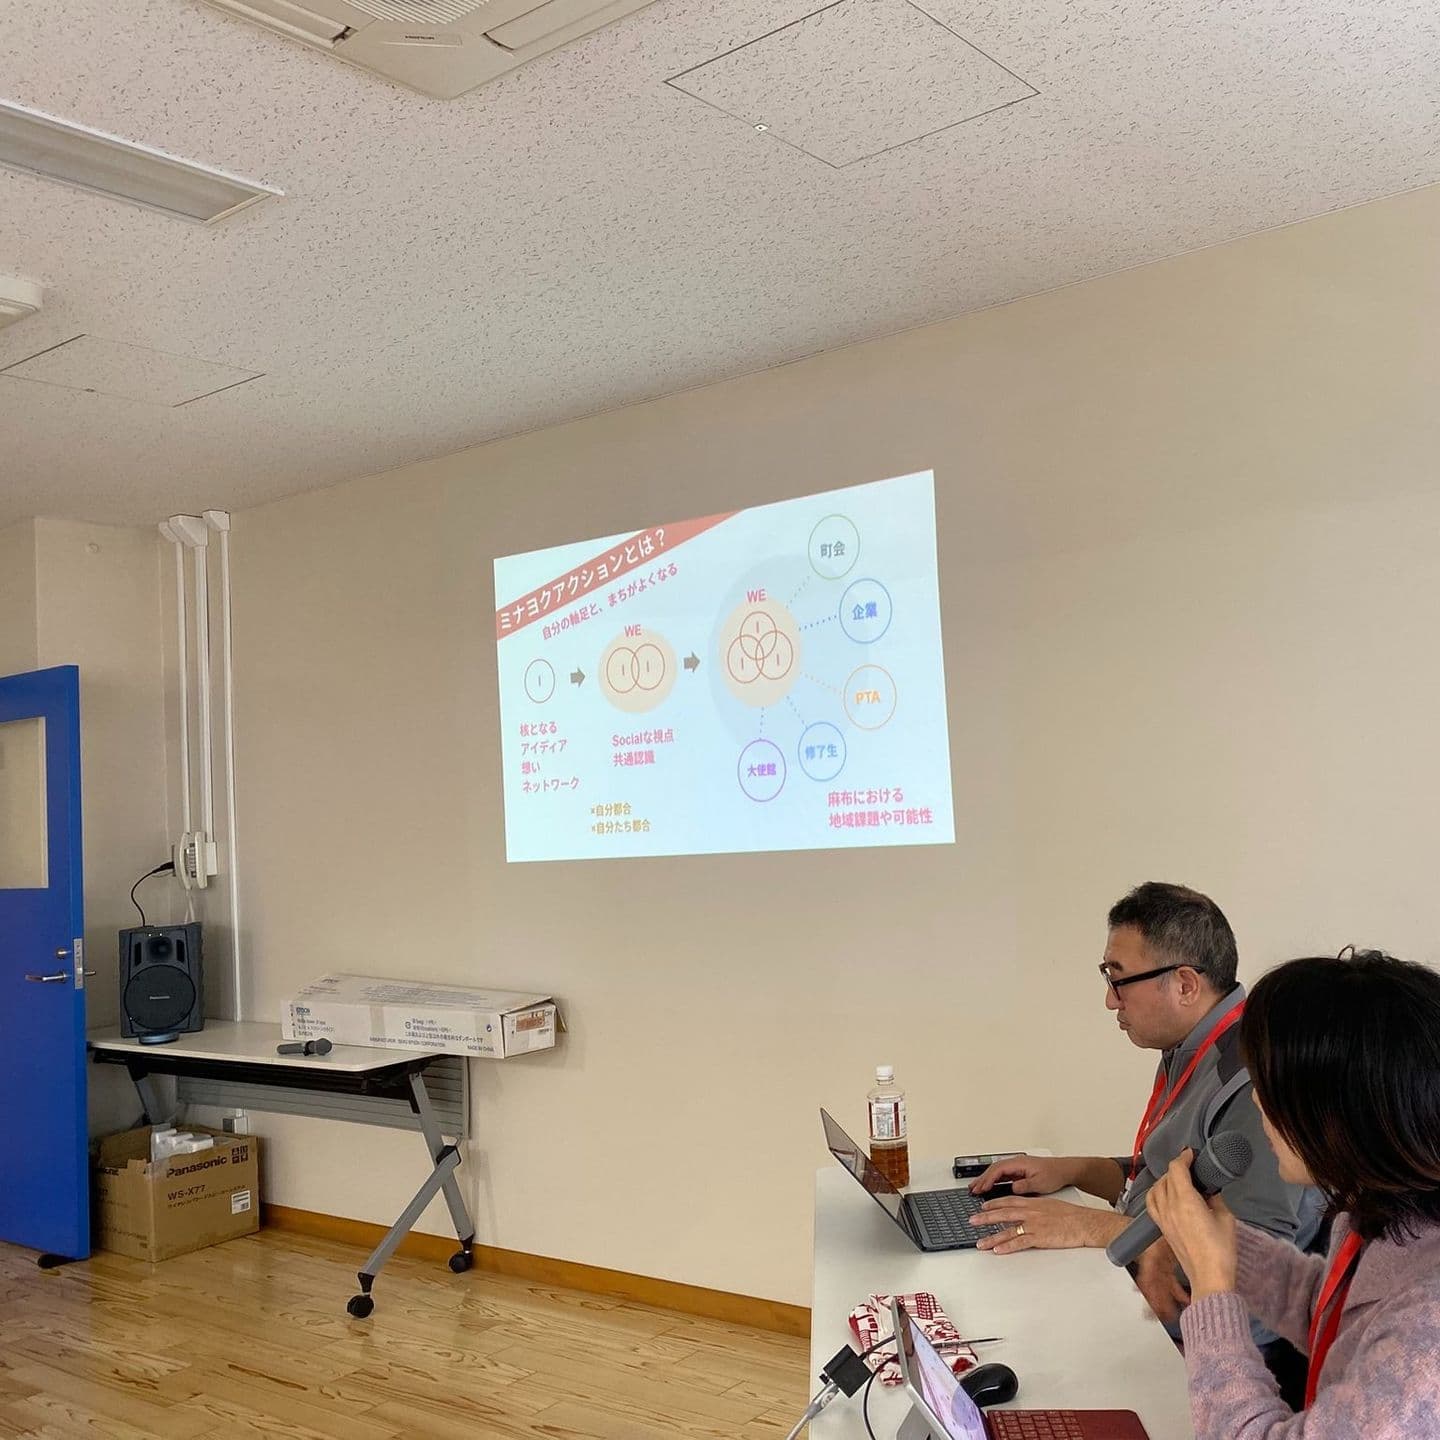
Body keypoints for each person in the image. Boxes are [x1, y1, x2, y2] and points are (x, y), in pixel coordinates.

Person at [969, 882, 1317, 1401]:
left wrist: (1094, 1226)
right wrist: (1075, 1169)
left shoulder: (1252, 1077)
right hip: (1147, 1306)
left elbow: (1247, 1268)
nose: (1110, 999)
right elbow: (1169, 1179)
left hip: (1216, 1359)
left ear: (1185, 984)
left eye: (1118, 978)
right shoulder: (1193, 1047)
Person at [1146, 950, 1440, 1435]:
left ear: (1341, 1114)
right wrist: (1221, 1240)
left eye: (1273, 1086)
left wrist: (1212, 1288)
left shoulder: (1427, 1337)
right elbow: (1328, 1312)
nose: (1257, 1099)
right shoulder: (1390, 1212)